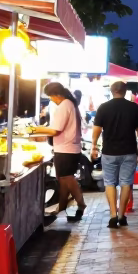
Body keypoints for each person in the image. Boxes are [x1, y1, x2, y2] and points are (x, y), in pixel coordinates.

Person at [91, 80, 138, 228]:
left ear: (112, 91)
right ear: (125, 91)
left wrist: (93, 146)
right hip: (129, 151)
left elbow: (96, 129)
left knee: (109, 183)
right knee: (126, 183)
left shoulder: (103, 108)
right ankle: (122, 216)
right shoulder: (134, 108)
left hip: (109, 151)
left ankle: (112, 215)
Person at [30, 83, 86, 221]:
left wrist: (34, 129)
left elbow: (55, 130)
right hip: (68, 148)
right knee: (62, 179)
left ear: (56, 95)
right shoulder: (69, 104)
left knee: (67, 178)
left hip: (66, 149)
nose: (51, 100)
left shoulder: (65, 105)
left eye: (50, 97)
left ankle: (81, 203)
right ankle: (61, 207)